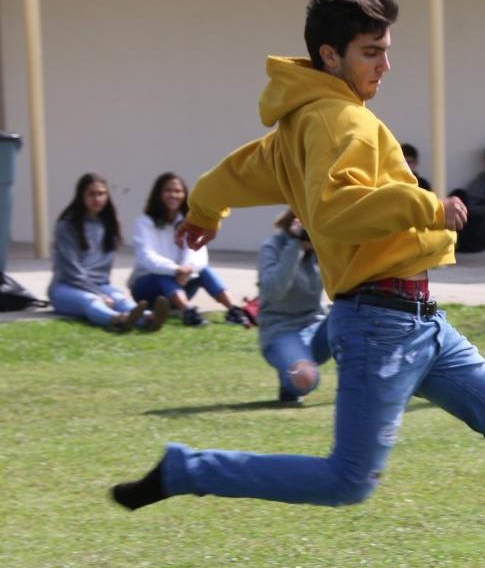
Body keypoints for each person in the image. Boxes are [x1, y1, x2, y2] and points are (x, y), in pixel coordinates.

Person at [111, 0, 485, 568]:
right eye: (372, 52)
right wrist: (427, 204)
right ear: (329, 55)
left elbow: (240, 170)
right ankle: (187, 469)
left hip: (422, 321)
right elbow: (335, 209)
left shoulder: (305, 119)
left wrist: (206, 208)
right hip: (377, 324)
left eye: (387, 50)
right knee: (348, 480)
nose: (385, 65)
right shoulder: (335, 120)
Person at [130, 171, 254, 327]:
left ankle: (234, 310)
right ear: (158, 194)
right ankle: (188, 313)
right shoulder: (144, 223)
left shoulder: (188, 222)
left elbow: (198, 252)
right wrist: (176, 270)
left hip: (180, 284)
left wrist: (188, 268)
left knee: (204, 270)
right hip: (146, 288)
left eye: (178, 191)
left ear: (185, 195)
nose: (173, 195)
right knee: (162, 275)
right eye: (167, 190)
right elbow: (146, 257)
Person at [48, 173, 168, 333]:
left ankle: (149, 318)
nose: (97, 198)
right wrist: (98, 294)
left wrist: (104, 292)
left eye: (101, 194)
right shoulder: (66, 226)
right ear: (81, 196)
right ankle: (117, 320)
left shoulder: (109, 225)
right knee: (91, 301)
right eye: (91, 194)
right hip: (66, 287)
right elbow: (71, 270)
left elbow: (104, 273)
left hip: (100, 285)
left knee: (121, 300)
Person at [257, 207, 331, 406]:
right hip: (281, 330)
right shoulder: (272, 246)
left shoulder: (324, 248)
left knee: (355, 315)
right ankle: (291, 376)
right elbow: (273, 293)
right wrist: (295, 247)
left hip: (317, 328)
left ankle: (365, 387)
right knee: (304, 379)